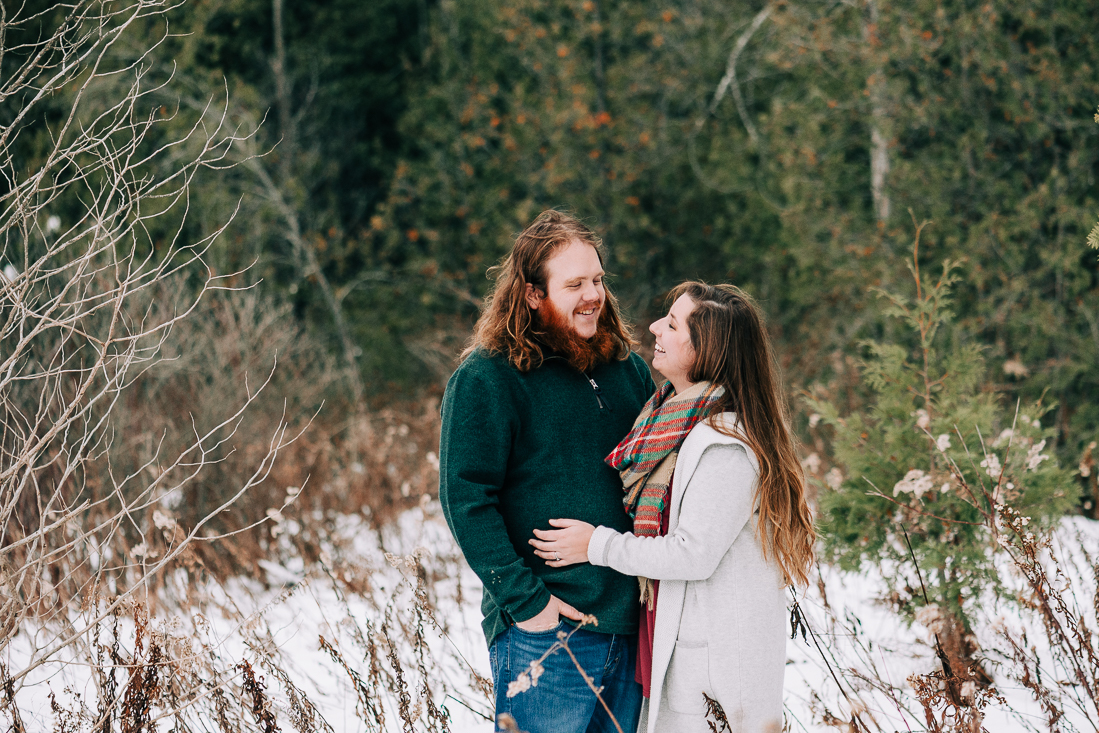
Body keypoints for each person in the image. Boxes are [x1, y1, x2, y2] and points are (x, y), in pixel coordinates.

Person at [529, 282, 816, 733]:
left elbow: (691, 553)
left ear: (707, 351)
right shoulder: (672, 419)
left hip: (716, 673)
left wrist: (596, 544)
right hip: (680, 649)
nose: (654, 327)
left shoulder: (725, 445)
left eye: (673, 323)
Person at [438, 210, 656, 733]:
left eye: (598, 280)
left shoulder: (627, 370)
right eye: (575, 284)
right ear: (533, 295)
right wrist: (527, 603)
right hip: (547, 632)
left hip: (629, 626)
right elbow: (466, 498)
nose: (593, 295)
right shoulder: (488, 377)